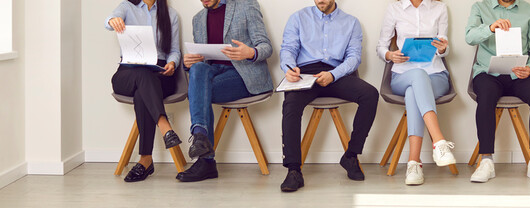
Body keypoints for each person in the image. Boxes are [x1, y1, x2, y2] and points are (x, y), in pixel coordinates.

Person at [279, 0, 379, 192]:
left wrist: (333, 75)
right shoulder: (298, 18)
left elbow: (353, 57)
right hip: (306, 73)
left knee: (370, 94)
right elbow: (288, 49)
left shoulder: (351, 22)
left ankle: (350, 156)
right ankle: (293, 170)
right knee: (290, 103)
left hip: (337, 73)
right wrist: (289, 68)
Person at [175, 0, 274, 182]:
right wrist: (188, 64)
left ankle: (205, 160)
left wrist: (250, 53)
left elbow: (266, 46)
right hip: (214, 74)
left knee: (199, 92)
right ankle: (200, 138)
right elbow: (201, 62)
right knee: (197, 69)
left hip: (243, 76)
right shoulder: (198, 19)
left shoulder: (246, 6)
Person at [465, 0, 530, 183]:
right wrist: (490, 28)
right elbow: (469, 37)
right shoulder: (480, 7)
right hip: (488, 72)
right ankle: (486, 161)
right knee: (486, 96)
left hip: (518, 73)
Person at [376, 0, 456, 186]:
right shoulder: (394, 8)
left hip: (436, 75)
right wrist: (390, 55)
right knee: (417, 78)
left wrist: (443, 49)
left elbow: (444, 46)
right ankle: (439, 142)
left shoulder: (440, 8)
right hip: (402, 76)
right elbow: (381, 47)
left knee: (413, 93)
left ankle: (413, 163)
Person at [106, 0, 182, 182]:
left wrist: (172, 63)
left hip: (160, 73)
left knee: (143, 94)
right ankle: (165, 127)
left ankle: (145, 160)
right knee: (141, 76)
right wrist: (112, 21)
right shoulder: (126, 7)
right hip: (129, 71)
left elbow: (174, 51)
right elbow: (109, 20)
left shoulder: (171, 15)